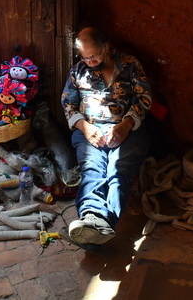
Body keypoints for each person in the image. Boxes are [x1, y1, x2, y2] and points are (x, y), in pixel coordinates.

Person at [61, 26, 152, 247]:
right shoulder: (78, 71)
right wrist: (84, 127)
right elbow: (68, 104)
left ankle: (98, 227)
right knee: (92, 169)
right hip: (90, 131)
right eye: (85, 57)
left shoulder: (130, 65)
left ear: (106, 47)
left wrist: (125, 125)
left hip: (127, 130)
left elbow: (144, 99)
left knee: (117, 171)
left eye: (95, 56)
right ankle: (93, 217)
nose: (90, 62)